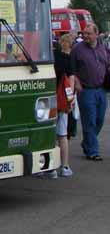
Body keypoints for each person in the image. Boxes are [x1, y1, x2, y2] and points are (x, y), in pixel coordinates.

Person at [70, 23, 110, 161]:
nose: (85, 36)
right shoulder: (77, 49)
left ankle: (87, 142)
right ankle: (93, 151)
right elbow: (71, 69)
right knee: (90, 121)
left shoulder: (103, 49)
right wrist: (76, 82)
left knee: (99, 120)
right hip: (86, 91)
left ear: (96, 34)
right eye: (84, 33)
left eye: (88, 34)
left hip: (101, 90)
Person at [47, 33, 76, 177]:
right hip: (63, 101)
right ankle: (65, 167)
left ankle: (50, 168)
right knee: (62, 135)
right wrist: (70, 101)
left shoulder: (52, 57)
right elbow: (71, 80)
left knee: (50, 135)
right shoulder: (68, 60)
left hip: (49, 101)